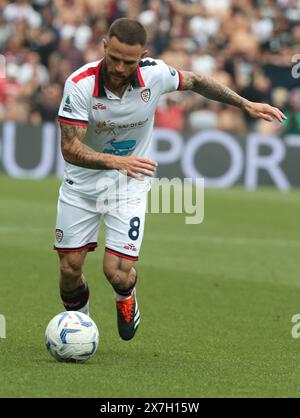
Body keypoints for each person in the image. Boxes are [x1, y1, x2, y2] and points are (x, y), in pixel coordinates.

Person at [55, 18, 286, 341]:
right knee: (69, 270)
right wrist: (115, 161)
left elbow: (198, 81)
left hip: (129, 184)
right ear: (104, 47)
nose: (120, 68)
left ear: (143, 55)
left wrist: (245, 103)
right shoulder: (80, 85)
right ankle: (79, 330)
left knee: (117, 273)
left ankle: (126, 298)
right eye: (115, 58)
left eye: (129, 61)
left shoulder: (155, 74)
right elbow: (70, 149)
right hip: (82, 185)